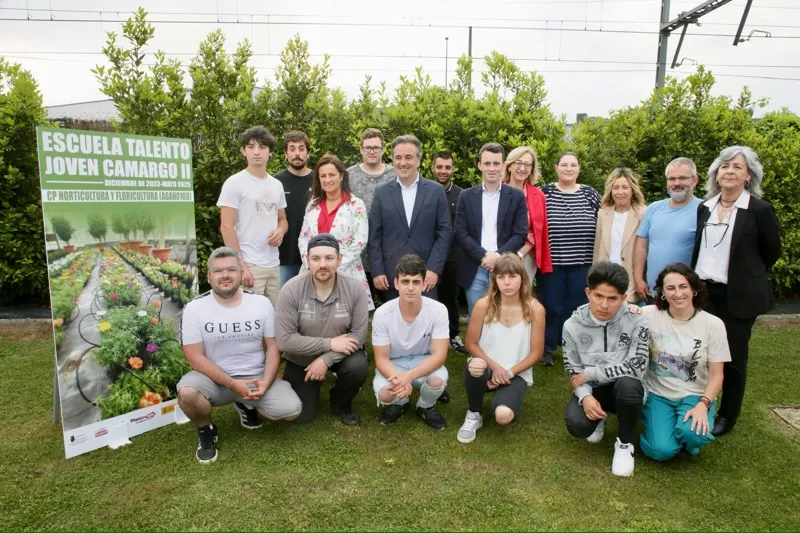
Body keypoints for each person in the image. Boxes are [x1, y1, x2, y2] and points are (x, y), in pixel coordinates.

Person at [177, 247, 302, 463]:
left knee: (291, 410)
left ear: (241, 273)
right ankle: (206, 429)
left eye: (232, 269)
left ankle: (246, 404)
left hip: (254, 378)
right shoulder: (194, 308)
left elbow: (273, 346)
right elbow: (194, 358)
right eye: (218, 271)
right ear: (209, 276)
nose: (225, 275)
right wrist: (234, 385)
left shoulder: (261, 303)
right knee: (187, 393)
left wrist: (266, 381)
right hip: (214, 381)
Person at [691, 146, 781, 436]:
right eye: (724, 166)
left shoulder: (759, 210)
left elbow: (771, 253)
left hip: (738, 296)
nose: (729, 171)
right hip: (705, 293)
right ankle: (702, 402)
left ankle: (728, 415)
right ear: (716, 175)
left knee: (733, 357)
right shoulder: (704, 207)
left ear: (748, 176)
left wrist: (744, 274)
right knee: (702, 352)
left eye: (737, 167)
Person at [562, 261, 650, 477]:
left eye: (612, 299)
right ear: (587, 292)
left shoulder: (637, 320)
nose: (604, 305)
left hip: (627, 387)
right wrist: (586, 398)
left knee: (628, 386)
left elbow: (636, 367)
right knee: (577, 426)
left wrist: (590, 373)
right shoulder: (571, 326)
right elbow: (574, 371)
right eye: (598, 296)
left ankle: (624, 444)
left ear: (623, 298)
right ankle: (598, 416)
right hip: (594, 389)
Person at [275, 234, 370, 426]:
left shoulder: (356, 288)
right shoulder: (291, 289)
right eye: (316, 258)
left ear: (339, 260)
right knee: (302, 416)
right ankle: (299, 386)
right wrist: (329, 343)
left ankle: (341, 403)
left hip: (341, 354)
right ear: (307, 260)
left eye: (329, 258)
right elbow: (284, 340)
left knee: (358, 366)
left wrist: (325, 360)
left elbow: (359, 336)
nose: (323, 264)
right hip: (302, 357)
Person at [639, 263, 730, 461]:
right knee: (661, 451)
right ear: (662, 292)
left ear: (694, 289)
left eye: (683, 286)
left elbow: (717, 374)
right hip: (658, 394)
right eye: (670, 288)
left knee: (692, 434)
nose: (677, 293)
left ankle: (688, 437)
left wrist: (703, 405)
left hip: (695, 395)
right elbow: (620, 312)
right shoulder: (648, 315)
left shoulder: (713, 325)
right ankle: (666, 431)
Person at [457, 253, 545, 444]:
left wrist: (508, 373)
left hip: (516, 372)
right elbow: (470, 343)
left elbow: (536, 353)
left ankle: (503, 399)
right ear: (494, 280)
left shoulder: (535, 309)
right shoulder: (483, 305)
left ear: (522, 278)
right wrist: (495, 369)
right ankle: (474, 413)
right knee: (476, 365)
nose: (507, 282)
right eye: (501, 277)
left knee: (502, 416)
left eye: (512, 276)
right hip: (487, 368)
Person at [368, 135, 452, 300]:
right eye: (398, 157)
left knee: (425, 324)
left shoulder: (435, 191)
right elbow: (374, 236)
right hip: (392, 277)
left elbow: (445, 232)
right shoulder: (381, 192)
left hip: (426, 277)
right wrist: (377, 271)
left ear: (419, 161)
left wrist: (434, 269)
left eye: (408, 157)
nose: (403, 162)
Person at [372, 254, 450, 430]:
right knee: (386, 396)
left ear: (424, 284)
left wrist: (408, 377)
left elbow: (439, 355)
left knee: (437, 381)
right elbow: (381, 359)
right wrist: (400, 380)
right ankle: (401, 402)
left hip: (424, 360)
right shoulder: (382, 313)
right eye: (405, 281)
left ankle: (425, 405)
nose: (410, 288)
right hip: (393, 364)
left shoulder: (438, 310)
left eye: (416, 282)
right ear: (396, 283)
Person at [538, 152, 601, 366]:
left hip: (583, 263)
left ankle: (575, 348)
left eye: (573, 165)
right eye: (564, 164)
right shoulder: (544, 192)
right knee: (551, 307)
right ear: (556, 168)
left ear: (579, 169)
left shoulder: (590, 194)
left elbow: (602, 220)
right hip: (551, 263)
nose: (568, 168)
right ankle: (547, 348)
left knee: (578, 307)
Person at [455, 142, 528, 317]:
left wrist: (497, 256)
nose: (492, 168)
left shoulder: (516, 196)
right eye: (487, 163)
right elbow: (460, 232)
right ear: (480, 165)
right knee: (478, 316)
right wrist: (483, 255)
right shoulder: (465, 196)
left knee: (505, 317)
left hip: (505, 267)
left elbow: (520, 234)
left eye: (496, 163)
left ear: (503, 166)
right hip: (475, 267)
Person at [218, 125, 288, 308]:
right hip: (249, 264)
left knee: (273, 319)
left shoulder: (277, 185)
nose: (257, 152)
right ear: (243, 151)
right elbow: (226, 227)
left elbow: (283, 219)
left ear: (270, 152)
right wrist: (241, 266)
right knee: (250, 319)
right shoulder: (234, 183)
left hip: (273, 264)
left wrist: (281, 231)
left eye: (262, 147)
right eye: (251, 147)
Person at [297, 153, 372, 310]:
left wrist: (335, 265)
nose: (327, 179)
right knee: (312, 316)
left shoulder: (355, 204)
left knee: (345, 317)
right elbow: (303, 237)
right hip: (313, 270)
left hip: (345, 271)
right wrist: (310, 262)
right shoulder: (312, 205)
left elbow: (360, 240)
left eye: (332, 174)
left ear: (341, 176)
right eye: (323, 176)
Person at [633, 157, 702, 304]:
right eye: (672, 179)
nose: (676, 183)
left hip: (684, 295)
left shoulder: (704, 210)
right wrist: (638, 279)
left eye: (682, 178)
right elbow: (641, 246)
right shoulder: (654, 208)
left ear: (694, 180)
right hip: (653, 293)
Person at [347, 128, 396, 295]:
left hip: (387, 252)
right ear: (361, 149)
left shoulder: (395, 175)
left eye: (376, 147)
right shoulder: (348, 175)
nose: (372, 151)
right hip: (356, 255)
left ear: (383, 149)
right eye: (368, 147)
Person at [593, 167, 647, 303]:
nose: (620, 192)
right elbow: (597, 250)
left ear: (632, 189)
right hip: (605, 280)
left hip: (630, 282)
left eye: (625, 187)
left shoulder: (643, 213)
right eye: (616, 187)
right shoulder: (603, 214)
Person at [432, 151, 467, 354]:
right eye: (439, 167)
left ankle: (453, 334)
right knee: (429, 297)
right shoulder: (424, 190)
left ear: (453, 169)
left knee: (450, 298)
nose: (443, 171)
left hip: (453, 256)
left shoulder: (461, 194)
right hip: (429, 253)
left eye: (447, 167)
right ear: (433, 167)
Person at [503, 146, 553, 284]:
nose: (522, 168)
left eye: (527, 164)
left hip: (524, 256)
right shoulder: (496, 191)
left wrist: (520, 254)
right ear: (509, 166)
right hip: (498, 253)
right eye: (518, 163)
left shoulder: (538, 195)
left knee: (521, 299)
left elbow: (537, 230)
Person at [274, 131, 314, 287]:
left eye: (301, 148)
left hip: (314, 257)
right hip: (284, 258)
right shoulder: (275, 182)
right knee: (281, 306)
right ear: (285, 154)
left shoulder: (319, 180)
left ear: (308, 153)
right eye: (292, 149)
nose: (297, 153)